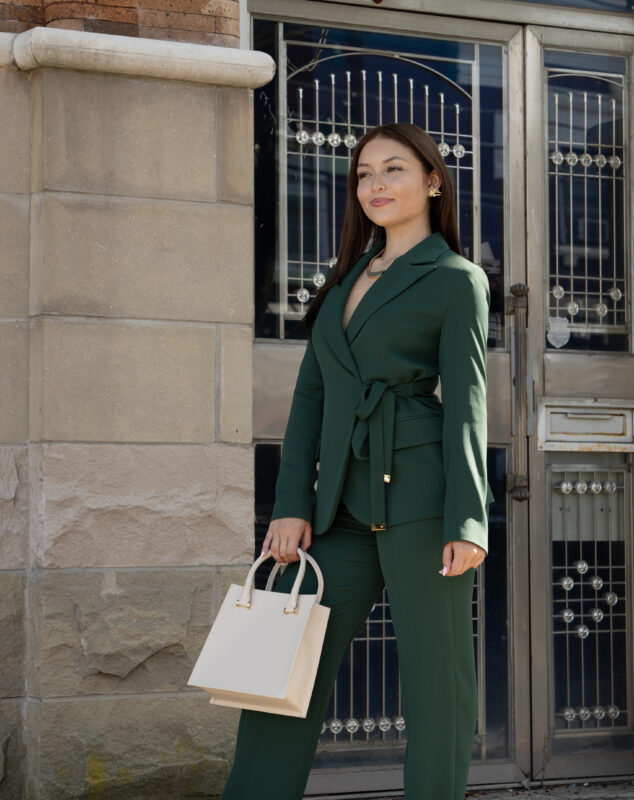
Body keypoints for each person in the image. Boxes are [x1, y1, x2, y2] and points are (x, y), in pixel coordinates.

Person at [220, 122, 494, 800]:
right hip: (338, 506)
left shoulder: (457, 279)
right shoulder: (343, 280)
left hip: (423, 502)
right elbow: (310, 399)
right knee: (282, 670)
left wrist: (468, 520)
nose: (375, 183)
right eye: (364, 173)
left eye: (393, 169)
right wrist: (290, 505)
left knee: (438, 683)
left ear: (433, 180)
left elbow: (467, 404)